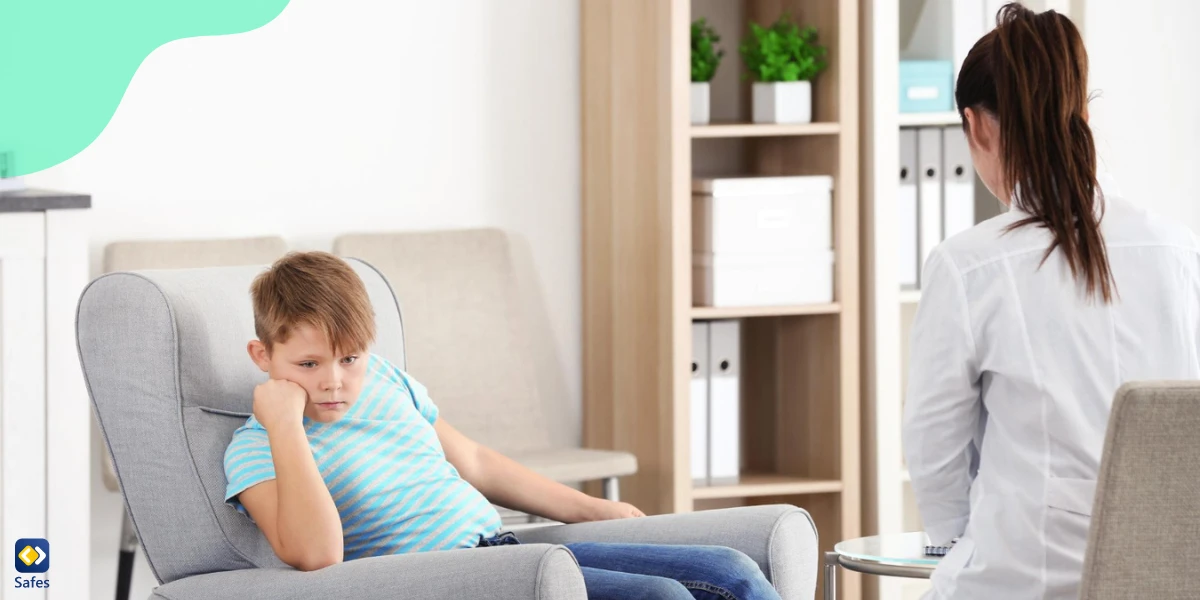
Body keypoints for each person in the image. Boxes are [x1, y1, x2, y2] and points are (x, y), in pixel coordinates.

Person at [222, 250, 781, 600]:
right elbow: (317, 555)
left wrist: (595, 509)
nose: (334, 383)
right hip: (452, 581)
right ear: (261, 355)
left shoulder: (387, 382)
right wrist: (284, 426)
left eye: (350, 359)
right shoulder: (255, 450)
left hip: (503, 548)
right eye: (308, 365)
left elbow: (476, 463)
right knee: (661, 598)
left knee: (729, 569)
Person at [902, 4, 1200, 599]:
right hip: (1170, 576)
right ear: (1083, 113)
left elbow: (934, 450)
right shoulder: (1176, 248)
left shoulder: (969, 265)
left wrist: (954, 544)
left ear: (977, 127)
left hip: (1021, 583)